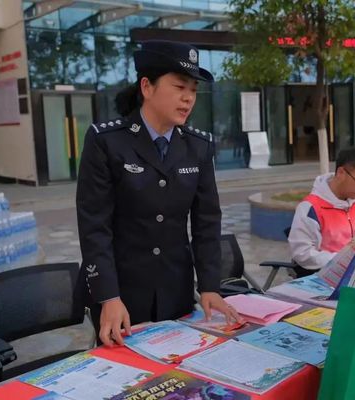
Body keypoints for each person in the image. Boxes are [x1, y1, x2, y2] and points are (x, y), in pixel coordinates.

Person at [76, 40, 240, 347]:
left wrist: (209, 287)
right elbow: (94, 227)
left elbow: (206, 222)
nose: (188, 98)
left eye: (193, 90)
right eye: (179, 87)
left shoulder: (198, 146)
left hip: (176, 292)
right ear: (147, 87)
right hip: (122, 295)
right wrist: (108, 296)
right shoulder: (107, 142)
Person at [288, 147, 355, 275]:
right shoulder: (311, 207)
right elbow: (302, 253)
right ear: (341, 172)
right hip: (325, 277)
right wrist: (341, 260)